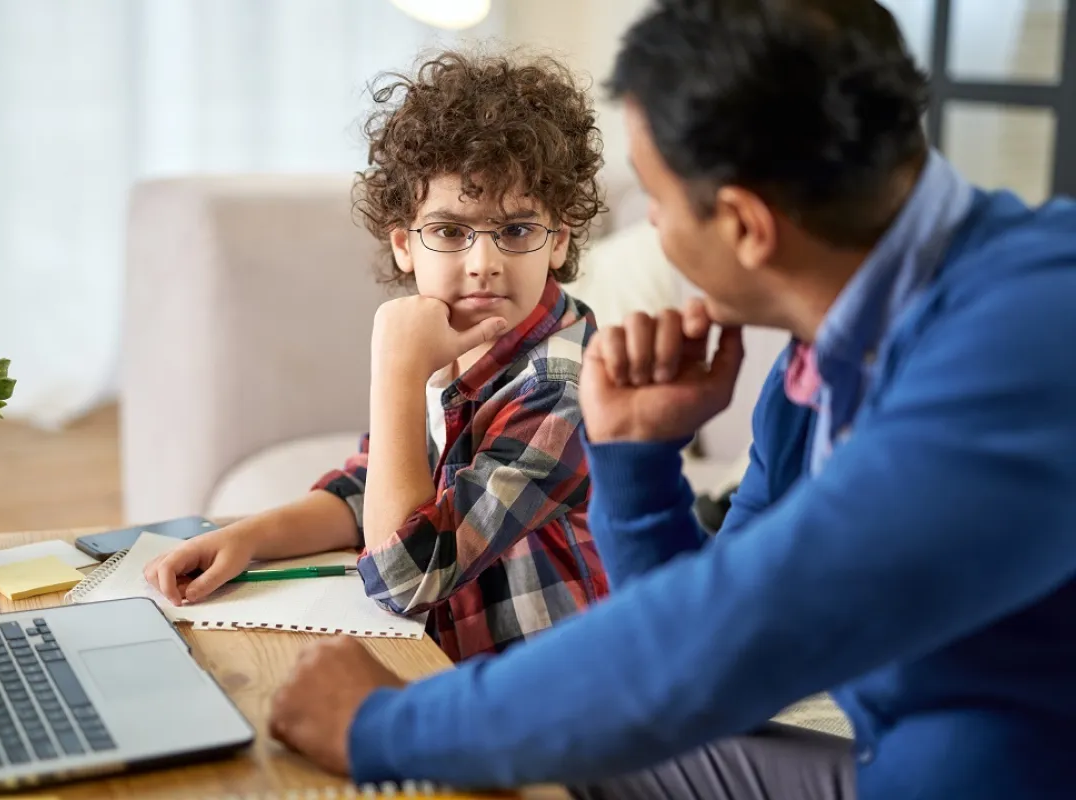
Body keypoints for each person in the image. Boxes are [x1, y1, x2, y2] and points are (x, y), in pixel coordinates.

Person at [262, 2, 1076, 799]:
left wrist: (386, 726)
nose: (648, 222)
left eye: (654, 197)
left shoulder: (1026, 339)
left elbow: (721, 639)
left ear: (745, 226)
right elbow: (720, 651)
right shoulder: (818, 364)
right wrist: (639, 460)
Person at [145, 50, 611, 664]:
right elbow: (372, 487)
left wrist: (395, 371)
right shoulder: (448, 338)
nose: (483, 263)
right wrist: (248, 537)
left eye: (517, 231)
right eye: (449, 232)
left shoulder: (566, 385)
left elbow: (405, 578)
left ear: (558, 241)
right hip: (448, 658)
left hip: (551, 690)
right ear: (403, 245)